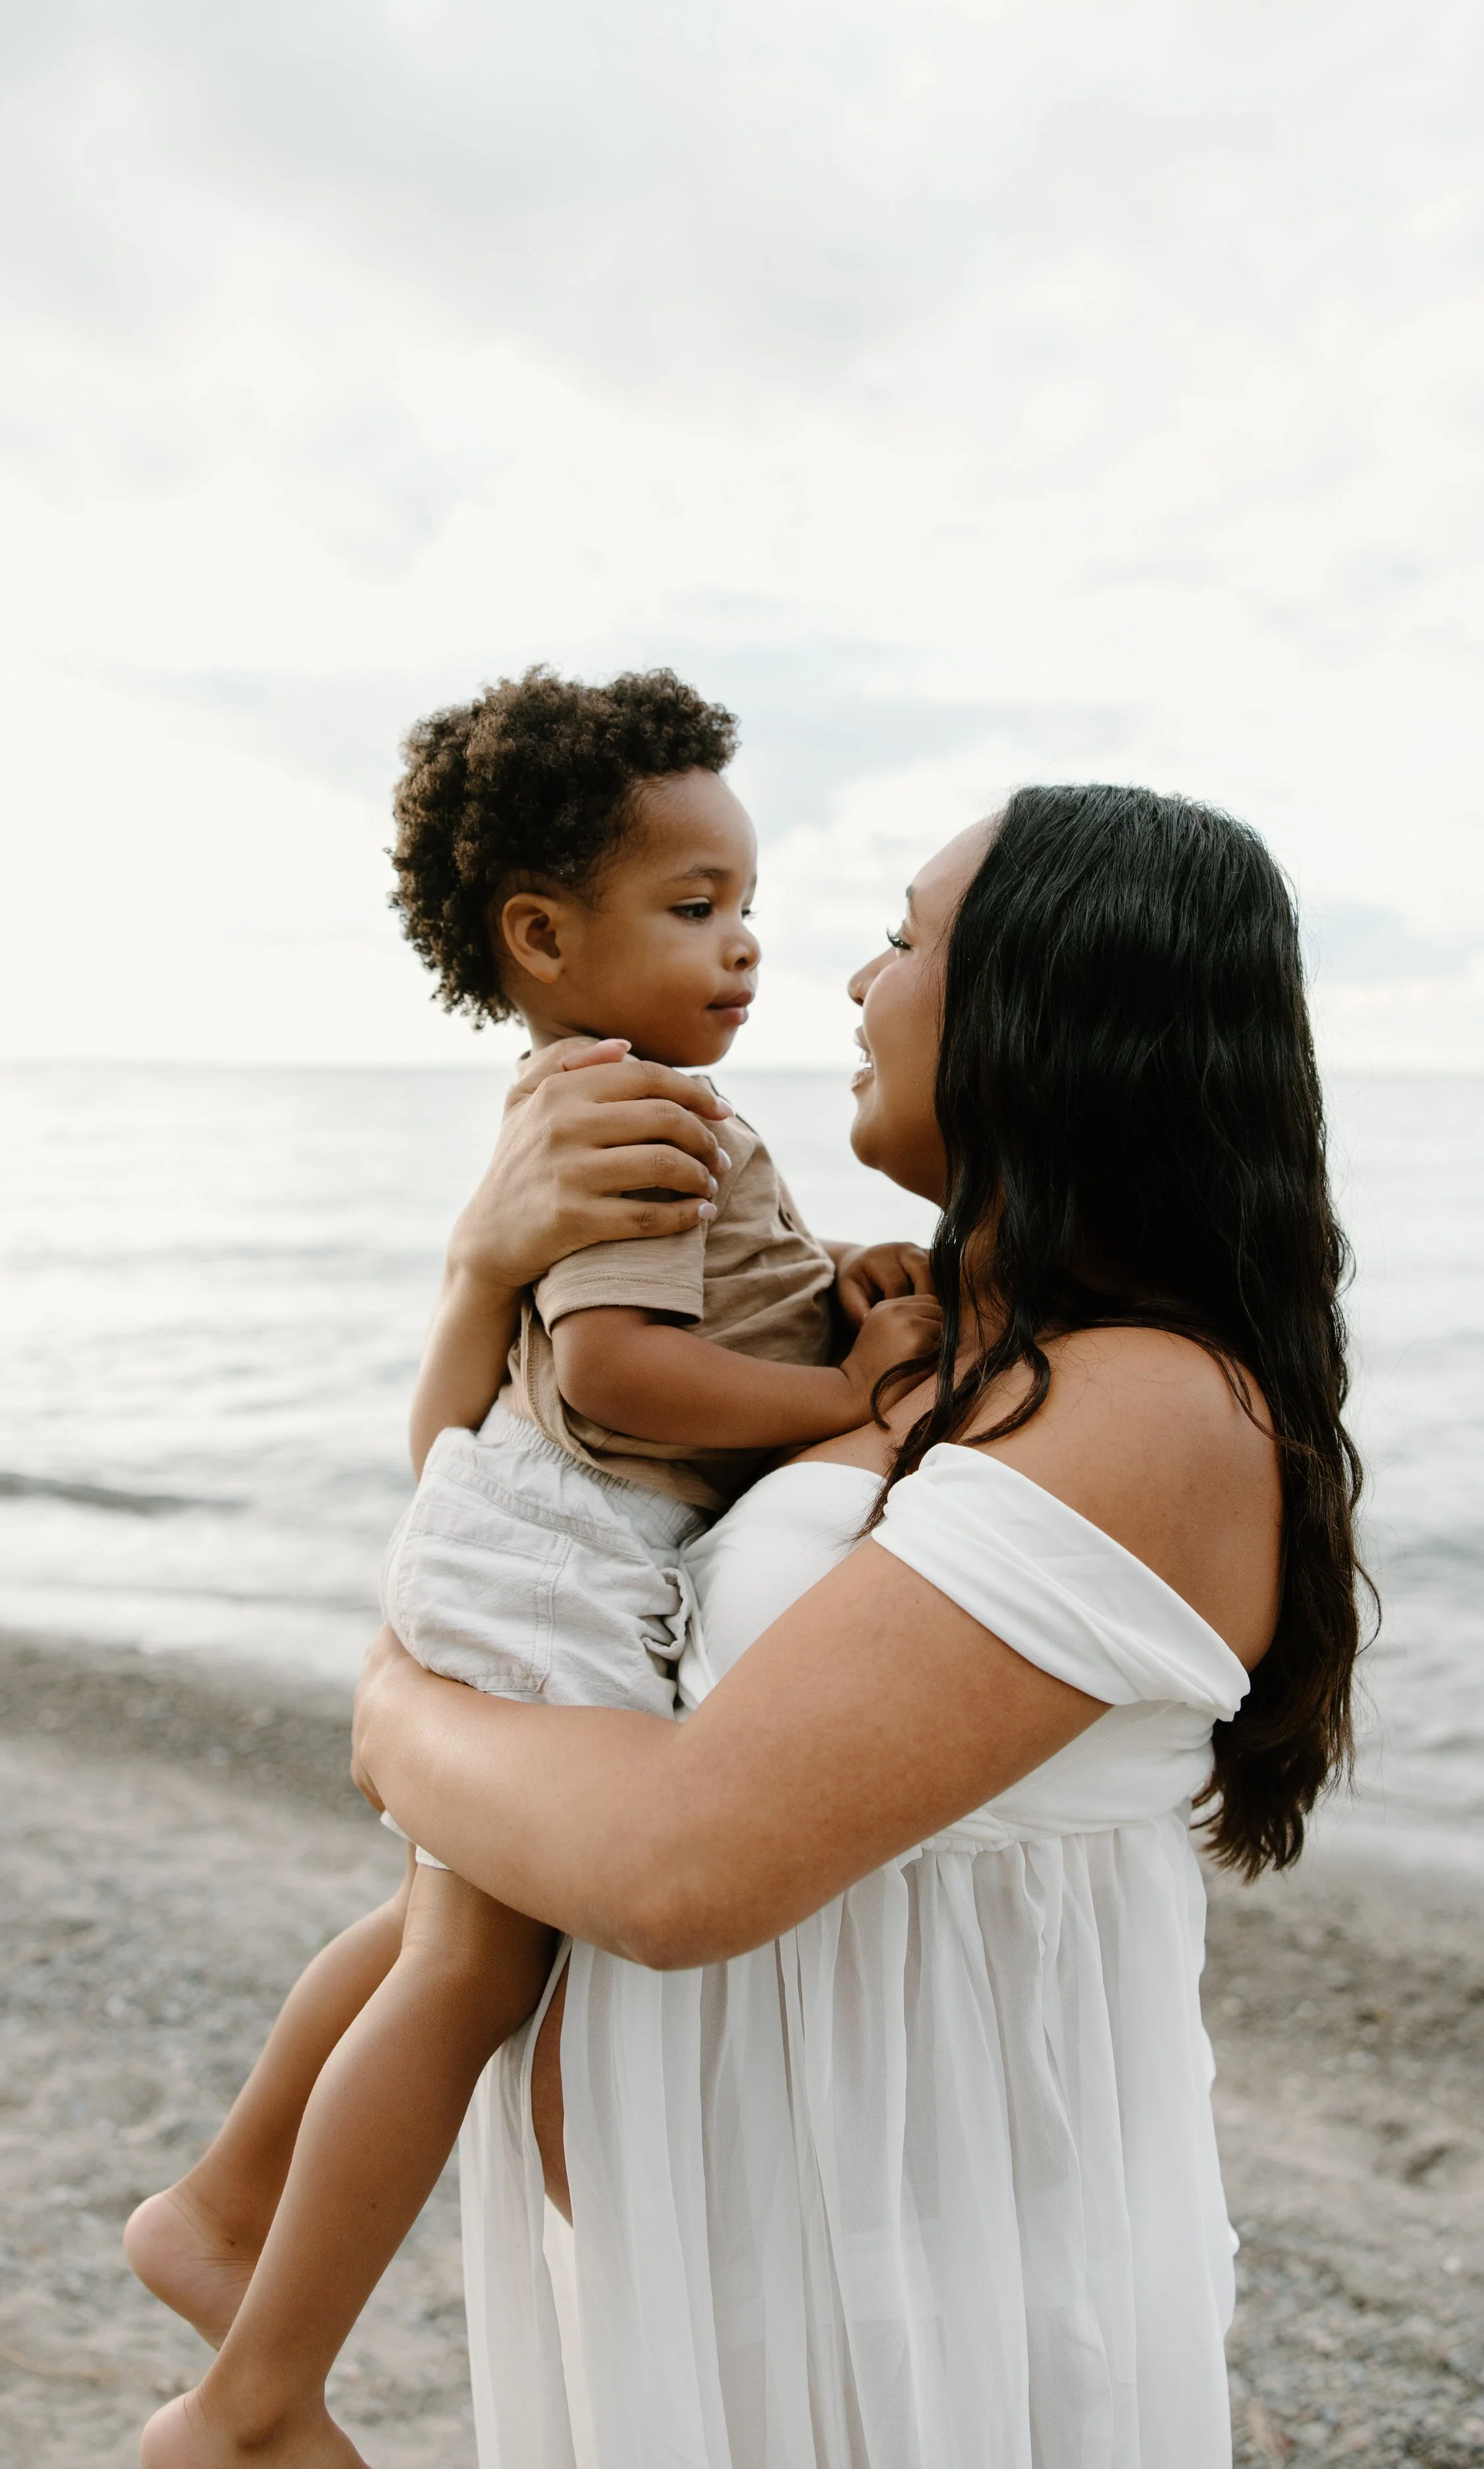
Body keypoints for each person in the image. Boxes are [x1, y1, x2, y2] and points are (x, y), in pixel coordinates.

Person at [336, 781, 1365, 2469]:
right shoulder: (926, 1329)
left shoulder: (1149, 1413)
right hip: (751, 2266)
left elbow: (681, 1869)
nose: (850, 982)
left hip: (911, 2296)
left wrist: (392, 1714)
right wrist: (482, 1268)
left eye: (903, 939)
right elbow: (508, 1488)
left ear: (1046, 1012)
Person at [128, 668, 933, 2469]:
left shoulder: (611, 1099)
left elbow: (653, 1319)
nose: (744, 949)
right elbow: (620, 1374)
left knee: (455, 1921)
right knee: (479, 1970)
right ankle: (253, 2392)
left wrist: (838, 1287)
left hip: (525, 1538)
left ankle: (230, 2198)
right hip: (560, 1556)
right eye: (694, 905)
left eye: (747, 907)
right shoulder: (632, 1113)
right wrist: (849, 1397)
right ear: (545, 932)